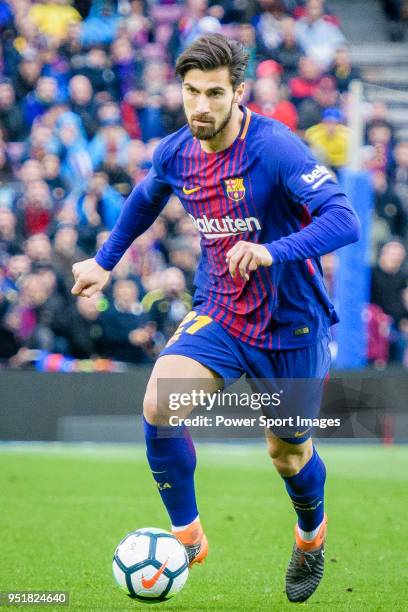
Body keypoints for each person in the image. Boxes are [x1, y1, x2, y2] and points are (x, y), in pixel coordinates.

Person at [71, 34, 360, 603]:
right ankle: (188, 536)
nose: (200, 105)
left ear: (238, 93)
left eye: (214, 93)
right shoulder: (176, 151)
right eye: (191, 92)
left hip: (293, 325)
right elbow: (149, 195)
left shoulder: (276, 149)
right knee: (161, 401)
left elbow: (344, 218)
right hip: (223, 313)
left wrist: (272, 250)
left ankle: (310, 536)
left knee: (288, 453)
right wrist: (105, 262)